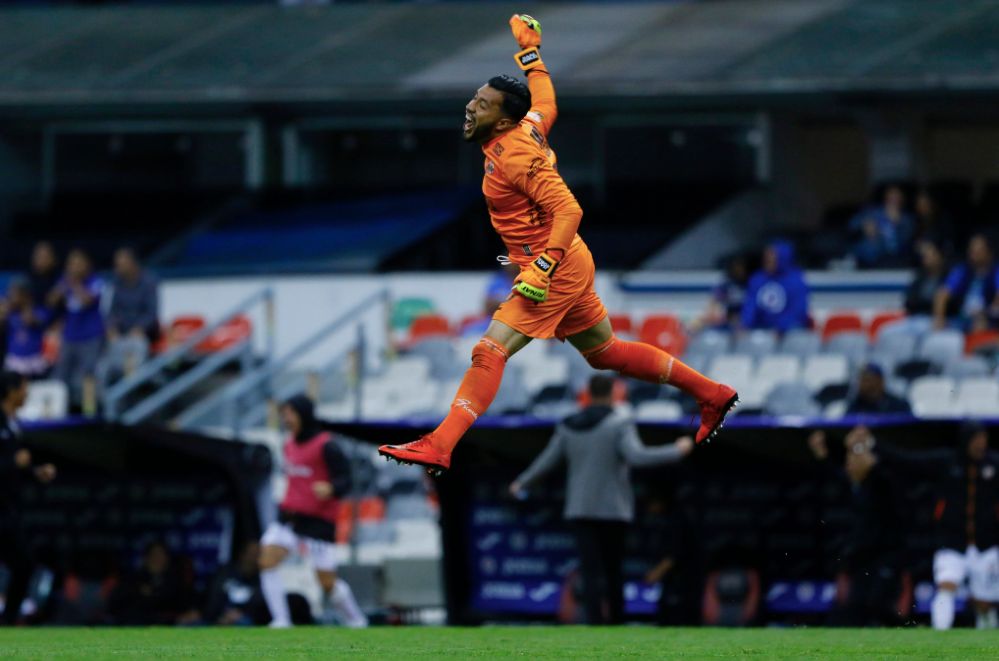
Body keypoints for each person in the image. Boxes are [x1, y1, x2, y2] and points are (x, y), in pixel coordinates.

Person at [379, 15, 736, 473]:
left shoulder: (515, 156)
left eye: (482, 104)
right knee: (606, 353)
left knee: (489, 350)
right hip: (569, 260)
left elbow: (570, 209)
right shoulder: (524, 128)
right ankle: (712, 393)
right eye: (474, 98)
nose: (470, 107)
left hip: (552, 270)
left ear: (501, 119)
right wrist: (531, 54)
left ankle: (440, 444)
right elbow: (545, 101)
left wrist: (543, 268)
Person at [508, 374, 694, 624]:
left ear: (588, 394)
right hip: (613, 509)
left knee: (590, 571)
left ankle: (594, 621)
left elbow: (546, 462)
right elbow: (638, 457)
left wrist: (521, 482)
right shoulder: (619, 423)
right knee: (613, 569)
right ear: (613, 394)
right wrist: (677, 450)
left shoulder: (568, 425)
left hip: (580, 509)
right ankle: (616, 620)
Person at [875, 422, 999, 630]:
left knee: (984, 603)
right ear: (966, 440)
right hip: (951, 542)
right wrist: (875, 444)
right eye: (976, 439)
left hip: (986, 544)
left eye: (983, 438)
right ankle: (940, 633)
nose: (981, 444)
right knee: (946, 587)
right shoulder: (946, 462)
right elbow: (907, 460)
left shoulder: (993, 465)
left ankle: (988, 634)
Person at [258, 395, 367, 628]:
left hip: (318, 521)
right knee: (267, 560)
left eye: (291, 413)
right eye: (284, 414)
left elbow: (347, 480)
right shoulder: (288, 445)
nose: (286, 418)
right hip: (290, 517)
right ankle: (281, 621)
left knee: (327, 582)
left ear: (304, 415)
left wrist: (331, 488)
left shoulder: (326, 445)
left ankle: (356, 620)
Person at [808, 426, 907, 626]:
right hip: (862, 558)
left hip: (885, 556)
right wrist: (822, 455)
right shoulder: (856, 487)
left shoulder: (881, 483)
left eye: (853, 458)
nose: (849, 463)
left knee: (879, 605)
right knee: (855, 606)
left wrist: (864, 444)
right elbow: (837, 474)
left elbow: (884, 469)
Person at [0, 371, 57, 625]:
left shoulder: (12, 423)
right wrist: (12, 462)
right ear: (11, 391)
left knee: (23, 563)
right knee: (22, 562)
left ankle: (8, 620)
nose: (27, 393)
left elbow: (15, 467)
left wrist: (35, 472)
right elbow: (10, 463)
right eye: (24, 388)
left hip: (7, 510)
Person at [48, 248, 104, 410]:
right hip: (69, 335)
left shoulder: (95, 281)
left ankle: (89, 411)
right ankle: (58, 410)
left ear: (87, 265)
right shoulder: (64, 281)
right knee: (60, 374)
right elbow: (51, 301)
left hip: (90, 336)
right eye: (71, 263)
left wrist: (74, 284)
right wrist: (60, 289)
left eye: (78, 263)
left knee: (87, 376)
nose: (74, 267)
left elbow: (87, 301)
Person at [103, 247, 160, 381]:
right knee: (103, 363)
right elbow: (112, 311)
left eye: (121, 264)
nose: (117, 268)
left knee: (136, 345)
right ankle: (114, 387)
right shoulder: (117, 283)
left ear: (132, 263)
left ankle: (132, 385)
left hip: (144, 334)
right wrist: (111, 328)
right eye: (117, 264)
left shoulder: (149, 282)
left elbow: (151, 313)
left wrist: (140, 328)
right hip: (121, 334)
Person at [107, 540, 195, 626]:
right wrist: (137, 591)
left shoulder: (176, 582)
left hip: (169, 627)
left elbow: (186, 606)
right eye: (154, 555)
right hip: (136, 626)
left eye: (161, 555)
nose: (157, 559)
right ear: (146, 558)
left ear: (167, 559)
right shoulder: (132, 580)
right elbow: (115, 605)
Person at [740, 240, 810, 333]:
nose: (767, 260)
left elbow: (798, 311)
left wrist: (782, 327)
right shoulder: (757, 279)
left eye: (771, 257)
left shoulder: (796, 281)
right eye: (766, 257)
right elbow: (750, 305)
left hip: (789, 330)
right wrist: (745, 323)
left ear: (782, 258)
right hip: (762, 329)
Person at [933, 233, 998, 331]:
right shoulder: (962, 270)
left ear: (989, 252)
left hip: (987, 319)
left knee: (980, 327)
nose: (974, 254)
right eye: (972, 250)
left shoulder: (996, 272)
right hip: (961, 319)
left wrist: (985, 314)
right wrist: (939, 319)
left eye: (979, 250)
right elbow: (942, 294)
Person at [195, 542, 268, 626]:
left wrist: (240, 615)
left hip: (246, 621)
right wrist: (223, 615)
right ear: (242, 554)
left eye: (257, 555)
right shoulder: (225, 573)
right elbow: (212, 600)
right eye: (251, 554)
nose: (253, 559)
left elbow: (262, 609)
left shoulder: (264, 579)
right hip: (218, 619)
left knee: (244, 622)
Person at [849, 184, 915, 269]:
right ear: (885, 196)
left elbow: (906, 240)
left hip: (896, 260)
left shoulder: (906, 219)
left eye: (897, 195)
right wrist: (864, 225)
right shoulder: (873, 212)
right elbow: (852, 225)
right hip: (871, 258)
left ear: (902, 198)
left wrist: (897, 224)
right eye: (891, 194)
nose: (894, 198)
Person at [1, 279, 52, 378]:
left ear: (25, 295)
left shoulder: (40, 311)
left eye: (14, 294)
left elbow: (29, 320)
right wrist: (5, 310)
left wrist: (26, 303)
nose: (11, 297)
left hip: (33, 362)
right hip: (14, 361)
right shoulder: (11, 313)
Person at [693, 254, 749, 332]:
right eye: (736, 267)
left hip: (744, 317)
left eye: (741, 267)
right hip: (729, 316)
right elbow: (715, 300)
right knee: (699, 321)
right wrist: (710, 313)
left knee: (738, 323)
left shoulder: (751, 283)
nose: (739, 270)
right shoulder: (727, 284)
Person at [903, 240, 950, 325]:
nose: (926, 259)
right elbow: (909, 302)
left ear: (940, 256)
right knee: (887, 331)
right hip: (914, 318)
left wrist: (924, 305)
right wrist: (928, 303)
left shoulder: (948, 277)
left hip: (935, 319)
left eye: (929, 256)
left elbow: (950, 305)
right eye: (924, 256)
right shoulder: (920, 277)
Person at [846, 364, 911, 415]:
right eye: (861, 380)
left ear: (880, 381)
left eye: (867, 380)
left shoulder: (898, 405)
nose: (862, 384)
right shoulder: (855, 406)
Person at [27, 241, 60, 315]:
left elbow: (52, 302)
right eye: (38, 256)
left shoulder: (60, 279)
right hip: (33, 316)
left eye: (45, 257)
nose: (41, 260)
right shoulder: (27, 279)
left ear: (53, 259)